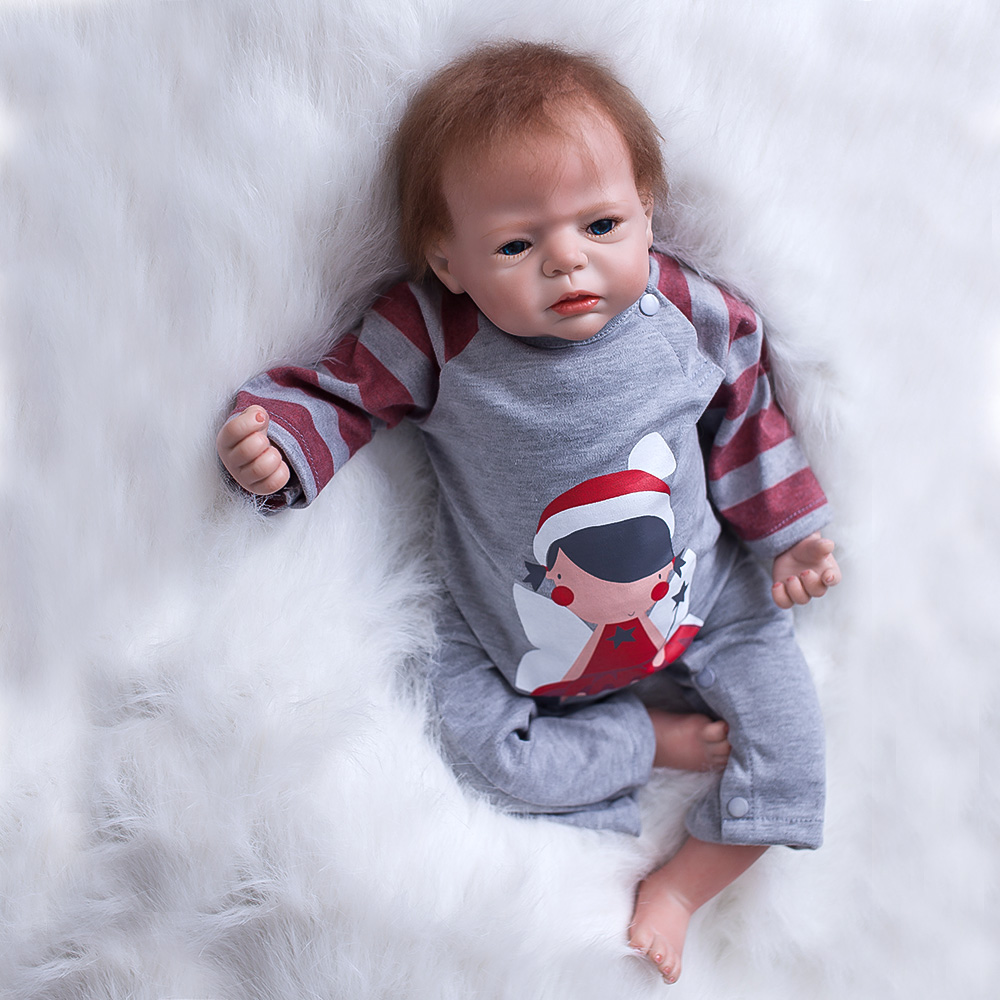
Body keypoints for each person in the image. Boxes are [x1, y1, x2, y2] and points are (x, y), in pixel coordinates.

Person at [216, 40, 841, 985]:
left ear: (648, 210)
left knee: (792, 751)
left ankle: (683, 888)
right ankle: (645, 742)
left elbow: (748, 411)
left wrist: (786, 533)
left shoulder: (692, 313)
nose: (568, 260)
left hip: (707, 599)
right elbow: (340, 391)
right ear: (449, 260)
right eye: (517, 245)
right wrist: (278, 447)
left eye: (602, 223)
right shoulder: (435, 329)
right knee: (486, 758)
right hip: (511, 635)